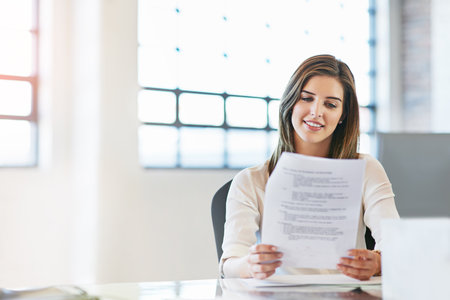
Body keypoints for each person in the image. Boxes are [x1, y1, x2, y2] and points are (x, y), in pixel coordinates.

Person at [219, 54, 399, 281]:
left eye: (330, 104)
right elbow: (229, 264)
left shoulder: (366, 169)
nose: (316, 111)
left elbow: (397, 247)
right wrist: (250, 265)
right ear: (291, 102)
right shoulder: (250, 180)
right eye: (306, 98)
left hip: (348, 294)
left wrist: (378, 263)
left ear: (342, 115)